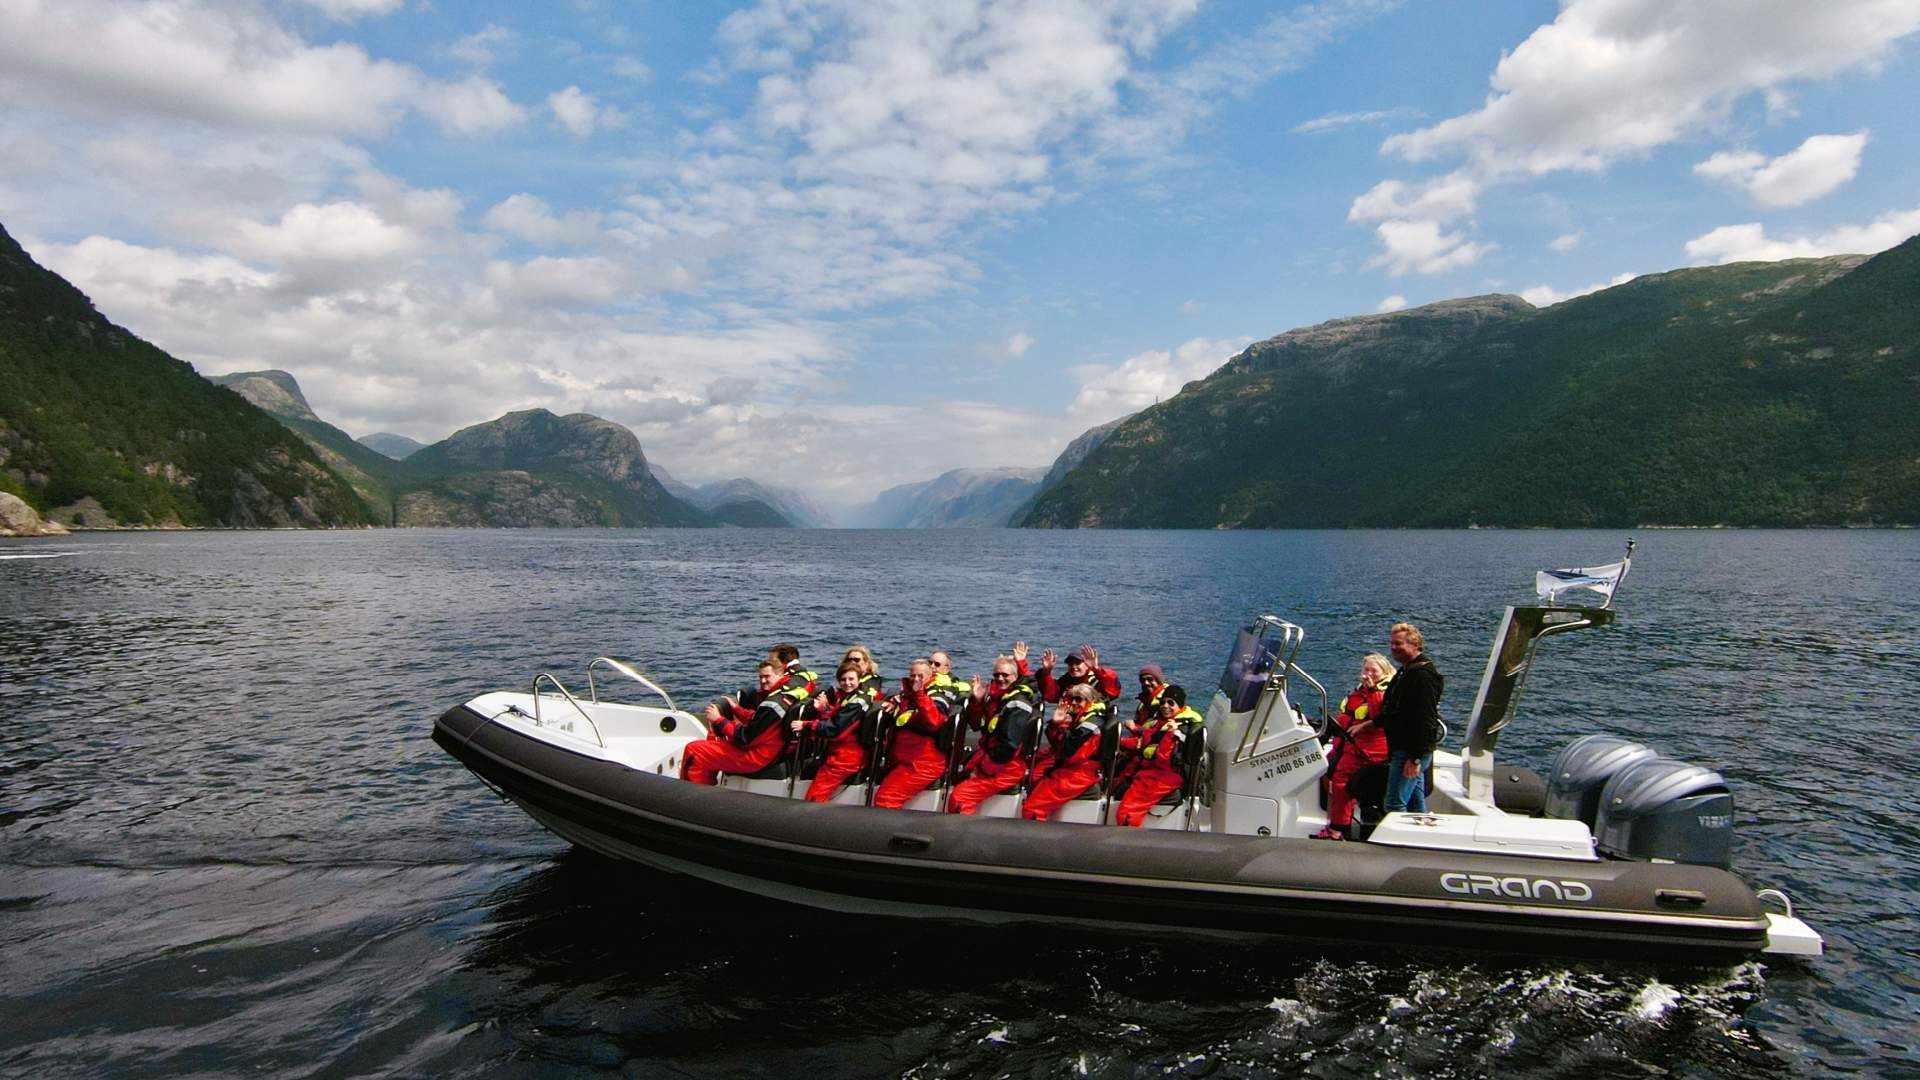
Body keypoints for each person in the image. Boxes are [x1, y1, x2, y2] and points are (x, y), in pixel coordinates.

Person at [681, 659, 810, 785]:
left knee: (694, 750)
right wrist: (737, 709)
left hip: (756, 756)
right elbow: (760, 720)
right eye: (760, 677)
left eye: (767, 676)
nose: (763, 681)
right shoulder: (786, 694)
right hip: (770, 749)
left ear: (780, 675)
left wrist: (718, 720)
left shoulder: (773, 705)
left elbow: (745, 738)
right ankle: (708, 786)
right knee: (713, 738)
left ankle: (693, 794)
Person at [947, 655, 1042, 815]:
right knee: (958, 779)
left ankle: (962, 829)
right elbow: (976, 725)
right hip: (990, 759)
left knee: (960, 797)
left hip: (1006, 767)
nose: (1000, 678)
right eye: (996, 675)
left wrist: (982, 770)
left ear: (1015, 676)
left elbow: (1008, 747)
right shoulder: (996, 698)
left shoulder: (1018, 704)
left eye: (1005, 675)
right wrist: (977, 701)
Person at [1313, 653, 1395, 839]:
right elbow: (1347, 715)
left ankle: (1338, 829)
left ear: (1384, 672)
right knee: (1325, 771)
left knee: (1342, 783)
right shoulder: (1358, 691)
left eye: (1374, 671)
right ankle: (1337, 823)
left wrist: (1372, 690)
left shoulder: (1384, 693)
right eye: (1366, 670)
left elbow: (1379, 718)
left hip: (1367, 751)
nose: (1368, 674)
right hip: (1347, 745)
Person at [872, 657, 968, 809]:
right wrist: (894, 703)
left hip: (924, 763)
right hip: (905, 760)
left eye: (920, 676)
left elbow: (933, 721)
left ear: (930, 677)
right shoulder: (907, 695)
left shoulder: (936, 696)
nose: (916, 679)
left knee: (886, 798)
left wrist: (920, 695)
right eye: (913, 675)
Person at [1111, 684, 1203, 827]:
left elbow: (1163, 760)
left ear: (1179, 705)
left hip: (1162, 778)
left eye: (1171, 703)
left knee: (1126, 814)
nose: (1165, 706)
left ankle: (1128, 838)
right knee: (1116, 787)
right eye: (1163, 702)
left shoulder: (1178, 729)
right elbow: (1147, 741)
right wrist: (1124, 738)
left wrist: (1170, 735)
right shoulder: (1160, 722)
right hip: (1148, 773)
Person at [1377, 622, 1444, 815]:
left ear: (1415, 645)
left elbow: (1425, 718)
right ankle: (1420, 830)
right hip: (1404, 746)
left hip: (1410, 750)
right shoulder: (1406, 671)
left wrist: (1415, 757)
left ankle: (1395, 834)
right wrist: (1371, 724)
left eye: (1398, 644)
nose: (1393, 648)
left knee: (1394, 804)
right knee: (1415, 803)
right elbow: (1393, 708)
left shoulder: (1422, 676)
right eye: (1392, 643)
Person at [791, 659, 880, 802]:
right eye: (843, 680)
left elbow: (835, 729)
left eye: (851, 679)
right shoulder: (853, 696)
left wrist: (806, 725)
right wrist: (824, 709)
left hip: (845, 759)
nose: (847, 683)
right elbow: (839, 718)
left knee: (814, 798)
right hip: (844, 753)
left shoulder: (856, 703)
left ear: (859, 679)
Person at [1021, 684, 1110, 820]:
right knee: (1034, 780)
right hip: (1071, 770)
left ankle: (1034, 830)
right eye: (1072, 698)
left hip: (1078, 774)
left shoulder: (1090, 725)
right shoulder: (1080, 718)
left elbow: (1071, 755)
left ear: (1091, 700)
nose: (1073, 703)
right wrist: (1055, 725)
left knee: (1032, 808)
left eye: (1079, 699)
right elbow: (1057, 745)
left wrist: (1063, 727)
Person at [1037, 644, 1122, 703]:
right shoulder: (1066, 680)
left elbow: (1113, 692)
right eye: (1070, 664)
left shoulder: (1096, 679)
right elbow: (1051, 697)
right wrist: (1047, 672)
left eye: (1077, 663)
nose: (1074, 667)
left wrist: (1096, 669)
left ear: (1087, 665)